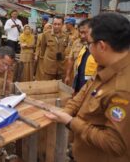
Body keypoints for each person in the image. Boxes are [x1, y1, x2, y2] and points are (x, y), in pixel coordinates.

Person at [45, 12, 130, 162]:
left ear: (102, 46)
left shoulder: (122, 89)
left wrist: (71, 122)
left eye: (89, 43)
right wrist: (66, 112)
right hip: (83, 149)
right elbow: (85, 92)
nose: (88, 48)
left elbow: (115, 144)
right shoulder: (107, 65)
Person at [65, 19, 97, 91]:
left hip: (91, 84)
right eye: (80, 32)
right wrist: (68, 75)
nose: (82, 36)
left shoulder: (98, 47)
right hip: (78, 78)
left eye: (85, 33)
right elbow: (71, 59)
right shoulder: (78, 44)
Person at [40, 15, 69, 81]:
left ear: (62, 25)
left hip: (61, 67)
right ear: (52, 24)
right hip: (49, 67)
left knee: (60, 87)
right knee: (48, 86)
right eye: (55, 24)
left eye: (59, 24)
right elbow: (42, 49)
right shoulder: (46, 34)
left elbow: (66, 49)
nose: (56, 26)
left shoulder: (66, 35)